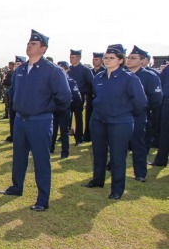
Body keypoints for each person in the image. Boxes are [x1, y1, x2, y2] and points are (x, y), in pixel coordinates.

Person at [0, 30, 71, 211]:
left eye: (34, 44)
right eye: (29, 43)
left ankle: (42, 199)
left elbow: (65, 97)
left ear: (43, 49)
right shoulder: (21, 69)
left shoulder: (53, 71)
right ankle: (16, 187)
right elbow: (13, 91)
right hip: (21, 120)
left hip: (41, 121)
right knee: (19, 156)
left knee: (41, 159)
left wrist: (47, 110)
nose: (29, 45)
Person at [83, 44, 147, 199]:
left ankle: (117, 189)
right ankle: (98, 180)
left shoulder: (130, 78)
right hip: (98, 120)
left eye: (111, 58)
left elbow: (140, 102)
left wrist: (125, 114)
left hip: (120, 122)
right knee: (98, 153)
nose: (107, 60)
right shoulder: (99, 77)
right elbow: (96, 96)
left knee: (118, 155)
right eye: (106, 57)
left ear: (120, 60)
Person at [126, 46, 162, 182]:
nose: (129, 60)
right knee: (118, 143)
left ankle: (140, 172)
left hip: (138, 116)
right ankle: (113, 166)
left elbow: (156, 99)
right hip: (121, 115)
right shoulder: (122, 73)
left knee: (138, 144)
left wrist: (142, 108)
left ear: (142, 61)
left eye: (133, 58)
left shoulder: (149, 76)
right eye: (128, 57)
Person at [52, 62, 82, 159]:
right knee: (53, 131)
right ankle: (50, 148)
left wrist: (68, 105)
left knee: (64, 132)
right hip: (54, 109)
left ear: (67, 70)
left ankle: (65, 152)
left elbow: (77, 97)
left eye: (62, 69)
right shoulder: (53, 81)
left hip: (64, 110)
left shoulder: (71, 81)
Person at [68, 49, 94, 145]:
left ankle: (78, 138)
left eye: (73, 57)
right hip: (68, 97)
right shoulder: (69, 69)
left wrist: (85, 92)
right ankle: (65, 136)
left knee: (78, 118)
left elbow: (91, 83)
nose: (71, 59)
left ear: (79, 58)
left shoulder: (85, 70)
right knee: (67, 117)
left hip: (79, 97)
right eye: (70, 57)